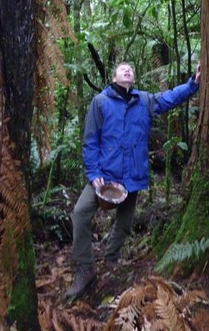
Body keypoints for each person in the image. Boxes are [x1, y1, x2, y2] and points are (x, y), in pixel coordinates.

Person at [65, 61, 201, 299]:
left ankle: (111, 258)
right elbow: (90, 140)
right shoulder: (100, 102)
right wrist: (94, 172)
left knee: (125, 223)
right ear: (114, 77)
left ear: (133, 78)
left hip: (132, 176)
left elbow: (169, 98)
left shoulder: (145, 100)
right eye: (122, 69)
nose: (127, 70)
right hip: (104, 174)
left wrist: (193, 84)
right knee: (80, 213)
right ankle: (85, 268)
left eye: (130, 69)